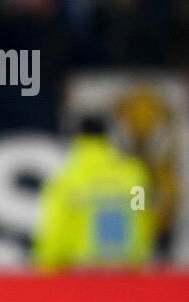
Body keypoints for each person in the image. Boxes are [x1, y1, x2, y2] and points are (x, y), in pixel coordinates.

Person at [34, 115, 154, 270]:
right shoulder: (134, 174)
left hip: (82, 270)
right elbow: (142, 218)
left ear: (78, 137)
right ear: (108, 136)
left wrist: (47, 268)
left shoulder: (66, 177)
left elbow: (55, 226)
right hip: (125, 268)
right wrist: (140, 264)